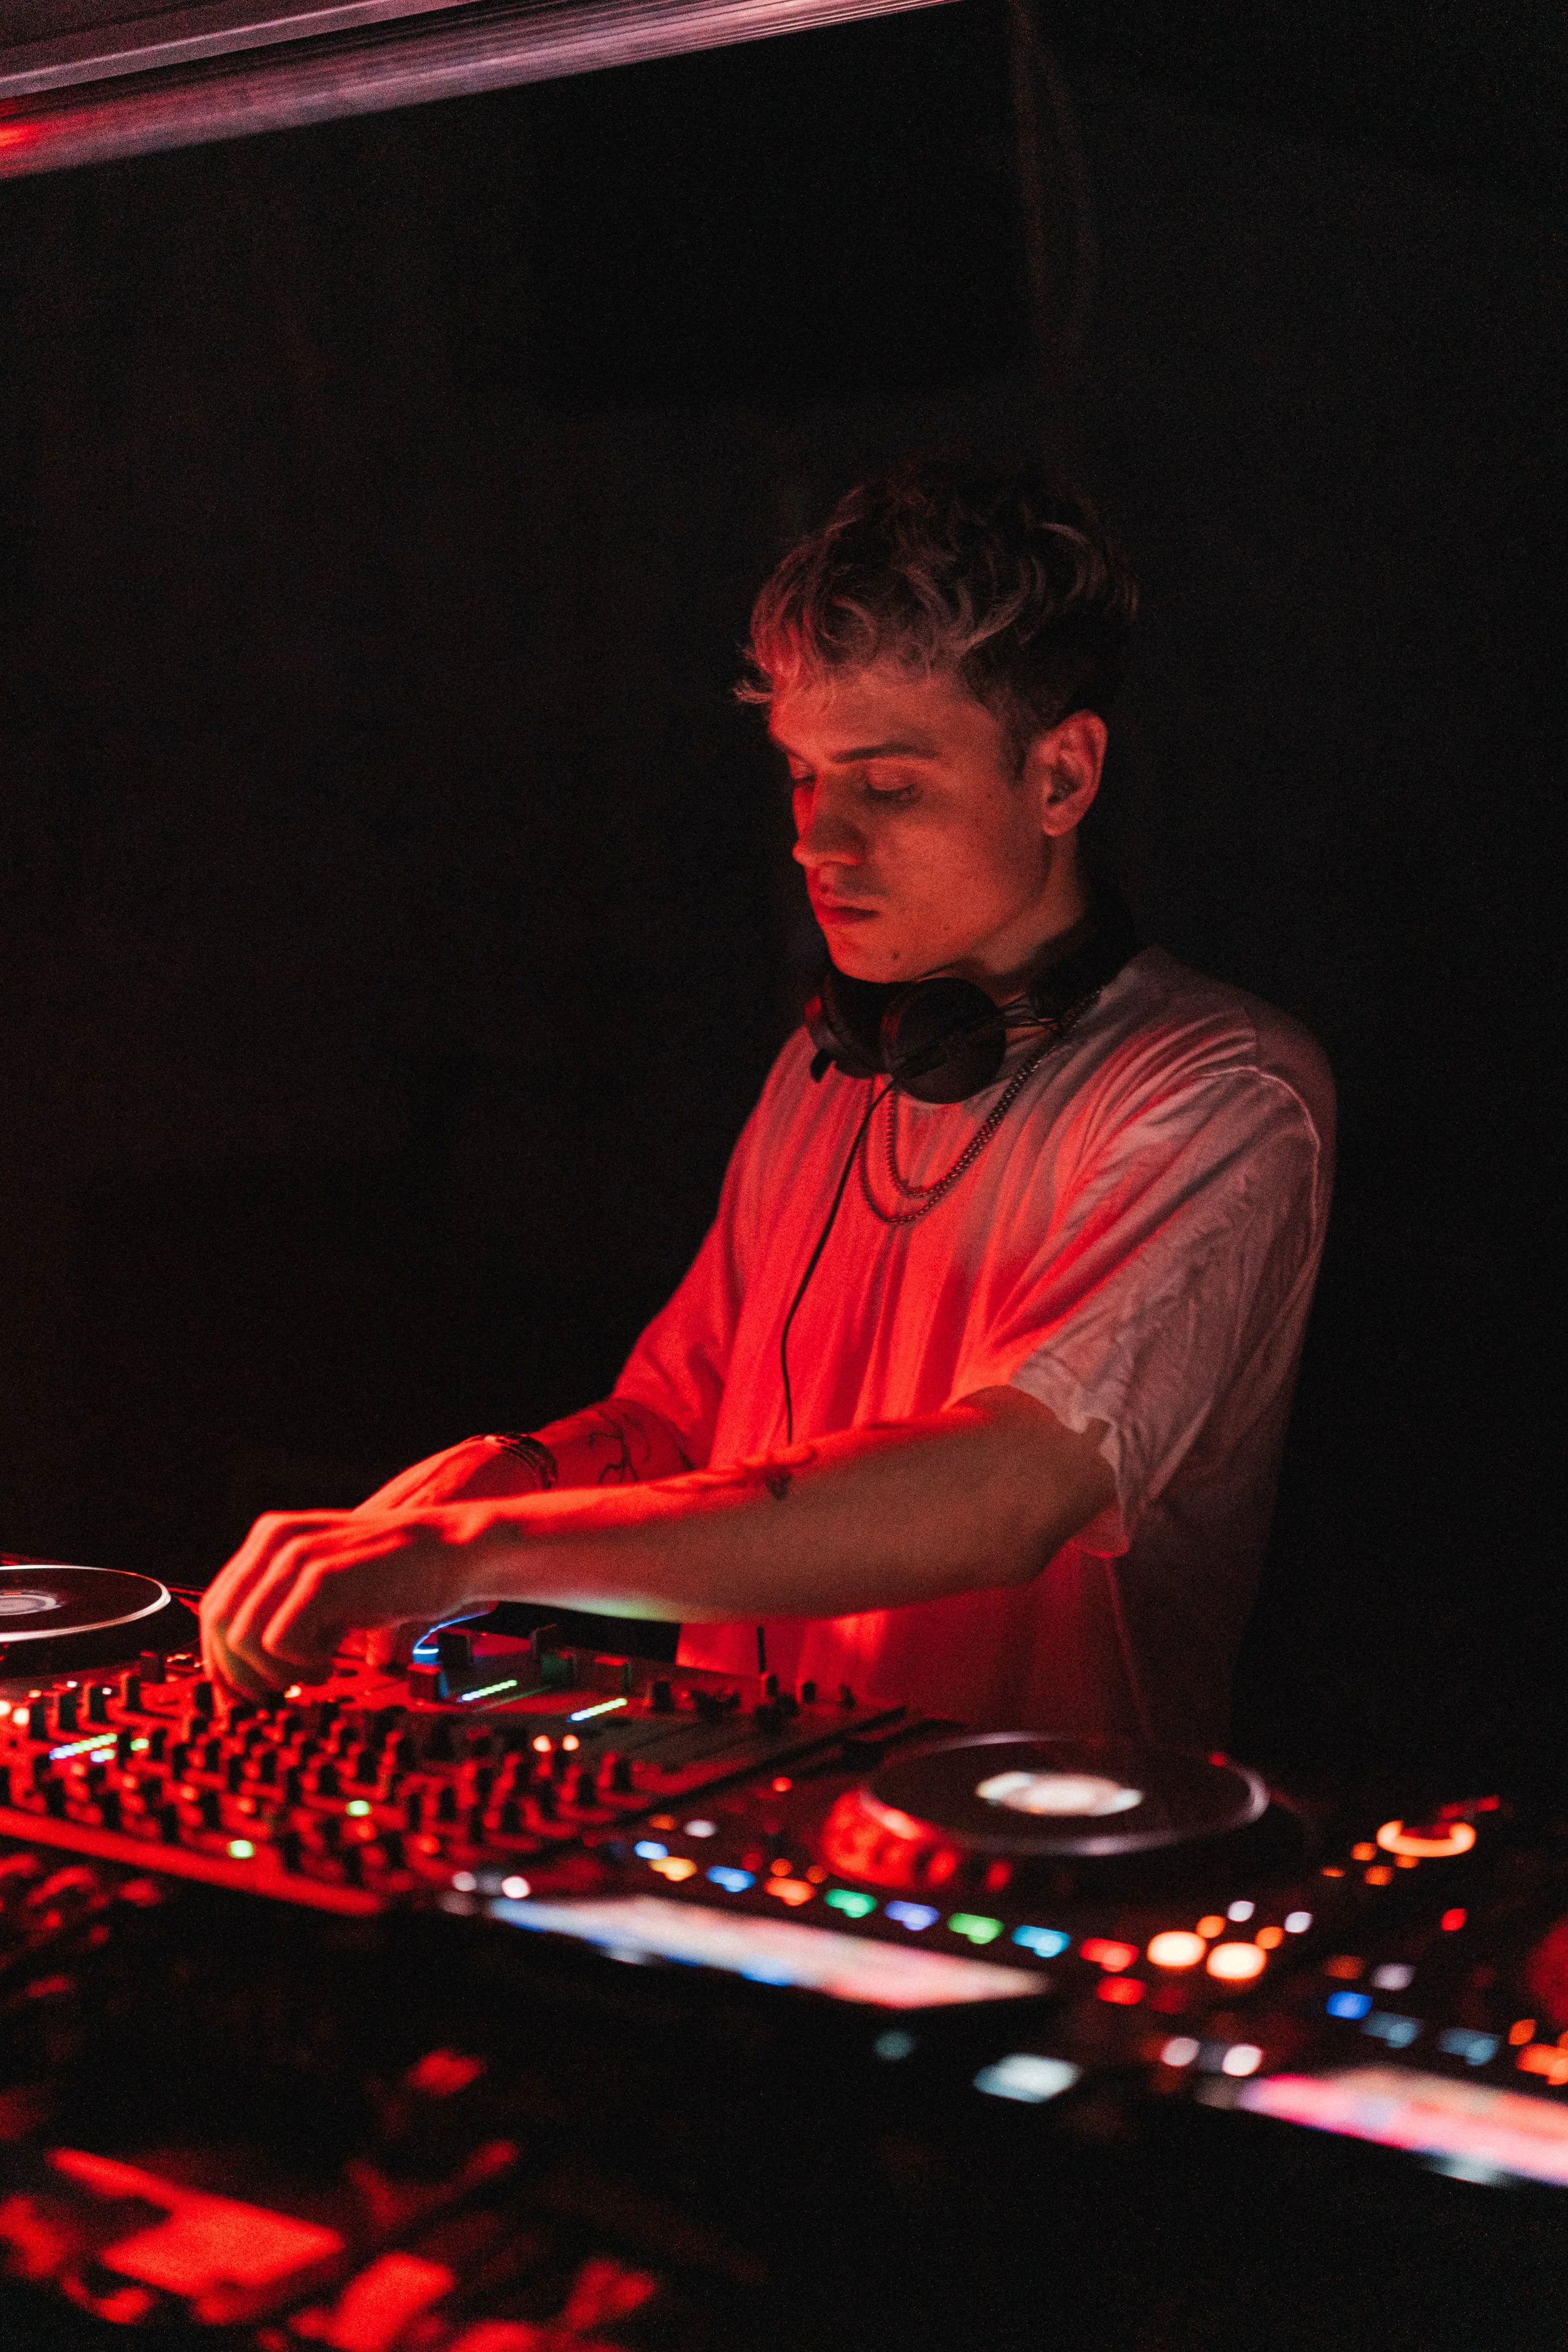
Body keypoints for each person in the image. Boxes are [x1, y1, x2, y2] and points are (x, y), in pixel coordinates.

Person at [201, 464, 1334, 1747]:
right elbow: (682, 1417)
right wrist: (505, 1472)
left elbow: (1009, 1491)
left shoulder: (1218, 1091)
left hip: (1033, 1872)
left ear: (1061, 776)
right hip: (760, 1807)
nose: (815, 841)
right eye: (800, 776)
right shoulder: (828, 1063)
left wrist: (474, 1552)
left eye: (886, 786)